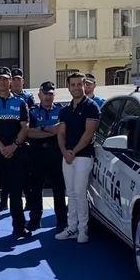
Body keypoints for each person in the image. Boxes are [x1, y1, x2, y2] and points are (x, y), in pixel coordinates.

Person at [0, 66, 32, 240]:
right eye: (0, 79)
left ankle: (18, 226)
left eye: (6, 79)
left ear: (11, 81)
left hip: (16, 152)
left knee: (16, 192)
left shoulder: (20, 102)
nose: (3, 82)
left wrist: (14, 145)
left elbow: (25, 126)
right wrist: (2, 147)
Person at [55, 72, 100, 244]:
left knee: (80, 193)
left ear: (84, 85)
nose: (76, 87)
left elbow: (89, 134)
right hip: (67, 157)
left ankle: (83, 230)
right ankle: (71, 228)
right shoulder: (65, 110)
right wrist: (65, 152)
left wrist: (72, 152)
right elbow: (61, 133)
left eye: (79, 84)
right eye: (72, 84)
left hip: (83, 157)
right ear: (68, 87)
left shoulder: (92, 107)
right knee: (71, 193)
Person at [24, 81, 67, 232]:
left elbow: (62, 130)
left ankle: (62, 221)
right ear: (39, 94)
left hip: (57, 155)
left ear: (54, 95)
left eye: (51, 94)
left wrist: (41, 131)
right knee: (35, 190)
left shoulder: (62, 110)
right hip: (37, 155)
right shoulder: (32, 111)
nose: (48, 97)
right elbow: (29, 133)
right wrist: (49, 130)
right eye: (45, 93)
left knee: (59, 190)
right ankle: (35, 220)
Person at [0, 67, 34, 212]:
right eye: (14, 79)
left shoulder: (27, 98)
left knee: (25, 175)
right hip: (6, 143)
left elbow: (29, 120)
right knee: (5, 175)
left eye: (19, 79)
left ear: (23, 81)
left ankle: (28, 202)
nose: (17, 82)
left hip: (23, 142)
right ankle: (4, 201)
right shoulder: (5, 97)